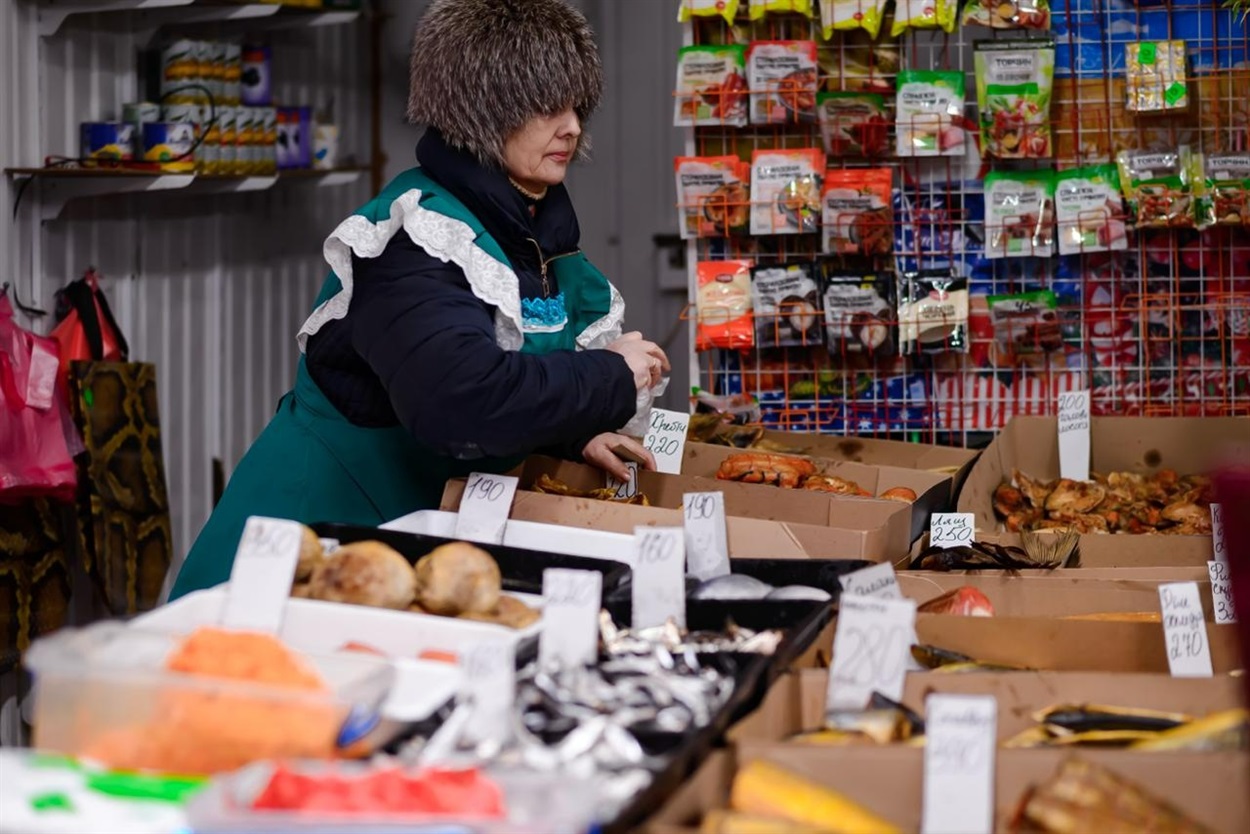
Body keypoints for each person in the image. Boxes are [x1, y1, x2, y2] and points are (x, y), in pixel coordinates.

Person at [170, 0, 668, 598]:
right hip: (305, 556)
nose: (571, 127)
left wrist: (571, 435)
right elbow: (460, 403)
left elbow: (510, 368)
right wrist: (609, 375)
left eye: (575, 106)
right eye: (546, 106)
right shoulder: (415, 237)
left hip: (397, 556)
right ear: (483, 111)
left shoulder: (530, 235)